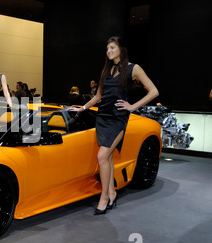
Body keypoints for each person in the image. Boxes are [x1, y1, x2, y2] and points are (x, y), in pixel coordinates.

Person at [67, 36, 159, 215]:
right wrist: (82, 108)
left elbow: (154, 90)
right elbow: (99, 96)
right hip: (102, 117)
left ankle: (103, 198)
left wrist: (132, 106)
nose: (108, 51)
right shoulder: (106, 70)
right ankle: (111, 193)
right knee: (106, 158)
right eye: (107, 48)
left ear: (121, 49)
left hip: (118, 118)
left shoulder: (134, 68)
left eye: (112, 48)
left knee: (102, 156)